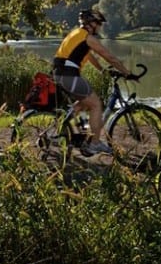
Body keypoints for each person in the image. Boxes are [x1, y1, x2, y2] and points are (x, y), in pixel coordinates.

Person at [52, 9, 133, 155]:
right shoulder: (88, 38)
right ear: (92, 24)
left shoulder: (76, 34)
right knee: (96, 104)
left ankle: (61, 127)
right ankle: (94, 143)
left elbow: (88, 56)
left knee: (84, 102)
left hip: (60, 73)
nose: (100, 27)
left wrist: (101, 70)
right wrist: (127, 73)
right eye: (99, 23)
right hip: (69, 76)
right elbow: (109, 56)